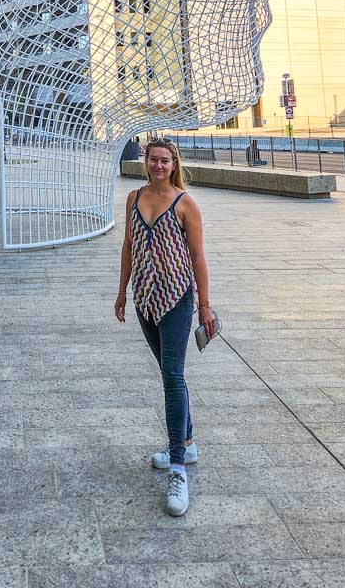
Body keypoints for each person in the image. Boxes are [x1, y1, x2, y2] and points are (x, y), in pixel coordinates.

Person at [114, 139, 216, 517]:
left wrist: (204, 306)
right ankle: (186, 442)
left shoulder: (184, 203)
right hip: (145, 298)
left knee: (172, 376)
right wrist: (122, 292)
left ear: (174, 164)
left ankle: (177, 467)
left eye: (165, 160)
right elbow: (128, 246)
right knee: (170, 373)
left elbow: (198, 256)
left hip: (177, 299)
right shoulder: (133, 198)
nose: (158, 165)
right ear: (146, 161)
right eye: (153, 159)